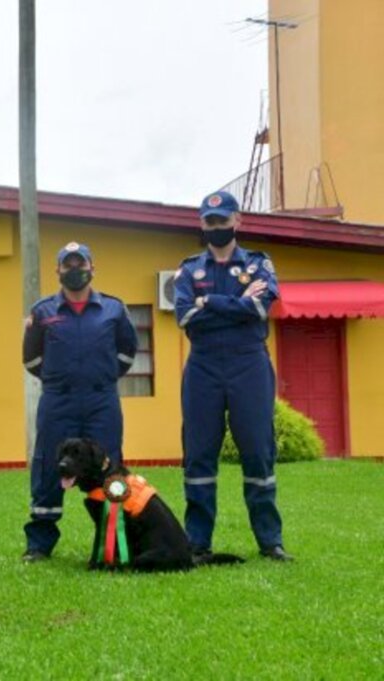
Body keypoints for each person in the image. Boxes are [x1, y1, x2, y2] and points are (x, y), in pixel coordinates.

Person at [174, 190, 291, 561]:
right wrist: (236, 304)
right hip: (203, 366)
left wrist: (208, 301)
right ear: (201, 225)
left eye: (223, 220)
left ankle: (270, 541)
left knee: (258, 452)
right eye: (209, 222)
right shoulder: (188, 269)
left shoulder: (259, 264)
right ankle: (197, 542)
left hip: (248, 365)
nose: (216, 227)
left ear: (237, 220)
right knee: (198, 457)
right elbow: (184, 316)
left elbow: (260, 307)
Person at [21, 242, 138, 561]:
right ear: (57, 270)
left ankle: (113, 539)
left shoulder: (114, 309)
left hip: (102, 402)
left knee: (108, 464)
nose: (75, 270)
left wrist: (103, 376)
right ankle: (40, 543)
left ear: (92, 268)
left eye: (80, 264)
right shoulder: (43, 311)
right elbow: (31, 359)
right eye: (68, 265)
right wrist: (59, 380)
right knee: (48, 464)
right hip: (58, 402)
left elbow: (128, 351)